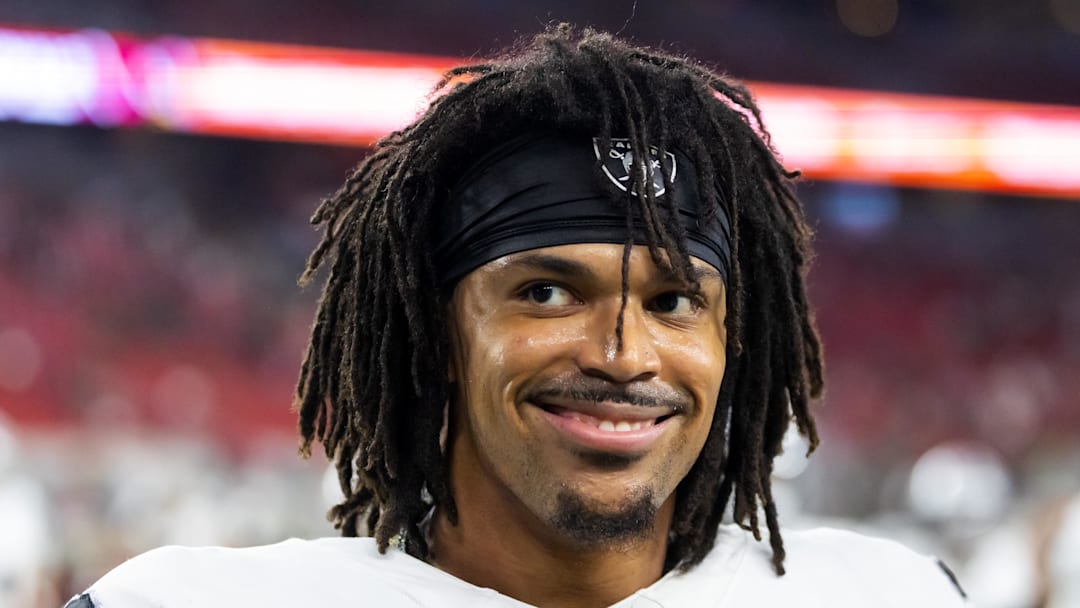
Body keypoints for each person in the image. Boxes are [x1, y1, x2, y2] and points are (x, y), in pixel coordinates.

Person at [66, 25, 969, 607]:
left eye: (673, 302)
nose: (622, 354)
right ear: (438, 327)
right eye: (547, 291)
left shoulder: (888, 593)